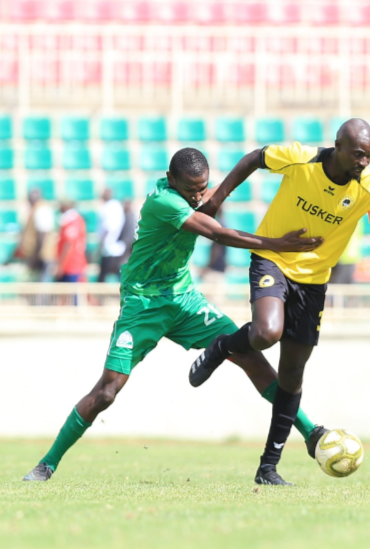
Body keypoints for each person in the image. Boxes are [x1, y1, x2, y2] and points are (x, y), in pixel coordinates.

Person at [23, 148, 323, 482]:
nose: (198, 195)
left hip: (184, 300)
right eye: (191, 189)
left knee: (252, 357)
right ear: (171, 181)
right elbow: (215, 232)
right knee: (107, 392)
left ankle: (311, 433)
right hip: (143, 304)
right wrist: (276, 244)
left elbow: (212, 206)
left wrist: (227, 184)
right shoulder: (163, 202)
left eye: (202, 188)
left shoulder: (187, 198)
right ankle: (47, 464)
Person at [189, 119, 370, 485]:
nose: (364, 162)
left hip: (313, 282)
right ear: (338, 146)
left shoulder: (369, 189)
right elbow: (254, 158)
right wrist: (216, 200)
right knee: (266, 332)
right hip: (273, 258)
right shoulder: (300, 158)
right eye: (358, 154)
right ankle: (222, 347)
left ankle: (268, 468)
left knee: (292, 375)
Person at [15, 188, 56, 281]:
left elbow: (42, 235)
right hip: (36, 255)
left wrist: (35, 257)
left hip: (41, 256)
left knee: (40, 288)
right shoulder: (35, 209)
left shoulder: (42, 209)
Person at [98, 189, 126, 282]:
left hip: (109, 247)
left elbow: (107, 228)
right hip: (116, 247)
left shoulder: (109, 207)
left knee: (103, 278)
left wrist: (100, 246)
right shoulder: (116, 205)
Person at [56, 200, 87, 283]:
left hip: (72, 265)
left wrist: (60, 266)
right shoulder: (69, 220)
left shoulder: (73, 221)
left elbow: (69, 244)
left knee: (71, 294)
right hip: (69, 265)